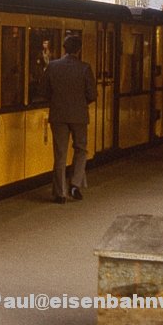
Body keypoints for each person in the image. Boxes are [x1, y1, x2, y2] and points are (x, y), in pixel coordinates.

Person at [41, 35, 96, 204]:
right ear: (79, 50)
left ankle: (60, 193)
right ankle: (75, 185)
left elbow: (44, 92)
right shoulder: (85, 68)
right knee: (81, 150)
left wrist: (57, 101)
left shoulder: (52, 66)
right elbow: (92, 94)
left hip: (58, 115)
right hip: (79, 115)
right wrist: (80, 103)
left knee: (60, 154)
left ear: (64, 48)